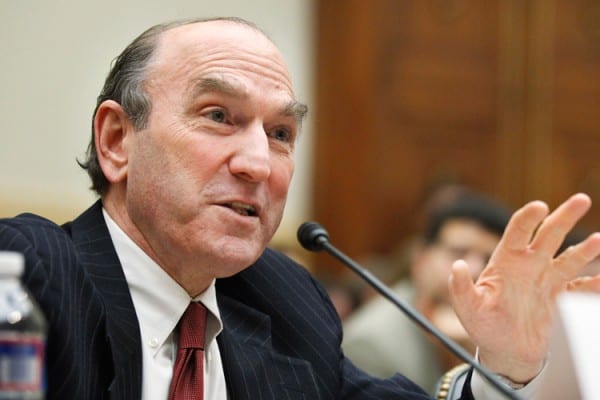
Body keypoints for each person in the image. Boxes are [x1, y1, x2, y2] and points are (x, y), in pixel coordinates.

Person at [1, 16, 599, 400]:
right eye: (218, 116)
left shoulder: (281, 302)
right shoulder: (30, 276)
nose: (258, 163)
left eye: (281, 133)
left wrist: (506, 367)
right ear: (116, 141)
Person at [342, 190, 512, 393]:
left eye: (488, 259)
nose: (475, 270)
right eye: (458, 252)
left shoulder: (512, 331)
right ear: (420, 260)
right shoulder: (370, 343)